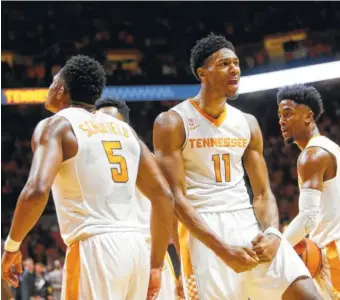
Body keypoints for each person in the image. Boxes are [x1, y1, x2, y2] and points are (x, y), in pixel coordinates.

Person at [153, 33, 321, 300]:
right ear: (202, 73)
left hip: (248, 226)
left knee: (310, 295)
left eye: (236, 63)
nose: (234, 69)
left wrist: (273, 233)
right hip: (203, 234)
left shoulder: (247, 123)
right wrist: (223, 250)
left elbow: (263, 194)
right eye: (223, 64)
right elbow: (176, 198)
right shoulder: (172, 122)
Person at [1, 55, 174, 300]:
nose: (49, 89)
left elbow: (37, 190)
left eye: (51, 84)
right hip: (136, 250)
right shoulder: (126, 131)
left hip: (95, 250)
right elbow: (164, 196)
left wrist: (11, 247)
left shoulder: (56, 126)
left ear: (60, 89)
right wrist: (156, 265)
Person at [94, 96, 182, 300]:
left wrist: (185, 265)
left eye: (113, 123)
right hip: (109, 253)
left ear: (125, 125)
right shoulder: (87, 160)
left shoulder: (148, 159)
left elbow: (172, 211)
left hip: (150, 255)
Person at [277, 84, 340, 300]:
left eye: (288, 113)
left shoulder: (312, 155)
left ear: (308, 116)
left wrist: (277, 245)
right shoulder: (330, 148)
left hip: (333, 254)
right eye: (279, 116)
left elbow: (309, 218)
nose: (282, 121)